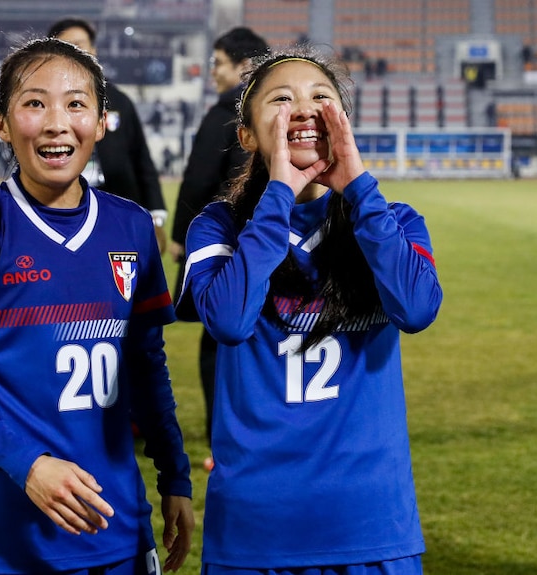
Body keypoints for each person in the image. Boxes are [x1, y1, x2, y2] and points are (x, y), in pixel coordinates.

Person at [0, 37, 194, 574]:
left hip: (119, 531)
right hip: (5, 543)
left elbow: (146, 368)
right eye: (35, 103)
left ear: (102, 122)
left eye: (76, 104)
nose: (57, 122)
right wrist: (30, 465)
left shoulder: (130, 227)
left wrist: (174, 476)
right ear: (1, 123)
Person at [176, 46, 443, 574]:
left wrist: (361, 191)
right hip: (257, 530)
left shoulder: (394, 220)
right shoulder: (216, 227)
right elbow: (228, 322)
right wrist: (278, 194)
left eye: (321, 97)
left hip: (370, 526)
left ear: (342, 119)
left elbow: (416, 310)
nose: (303, 108)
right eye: (282, 98)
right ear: (247, 136)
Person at [168, 26, 268, 460]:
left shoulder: (224, 114)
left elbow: (198, 180)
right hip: (276, 246)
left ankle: (220, 437)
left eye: (218, 63)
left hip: (228, 248)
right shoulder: (277, 114)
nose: (212, 72)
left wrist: (180, 238)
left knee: (218, 341)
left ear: (243, 66)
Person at [47, 17, 169, 254]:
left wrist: (156, 212)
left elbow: (140, 156)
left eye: (80, 45)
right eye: (65, 46)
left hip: (118, 207)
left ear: (94, 50)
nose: (75, 52)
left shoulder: (120, 101)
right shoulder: (42, 105)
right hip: (60, 212)